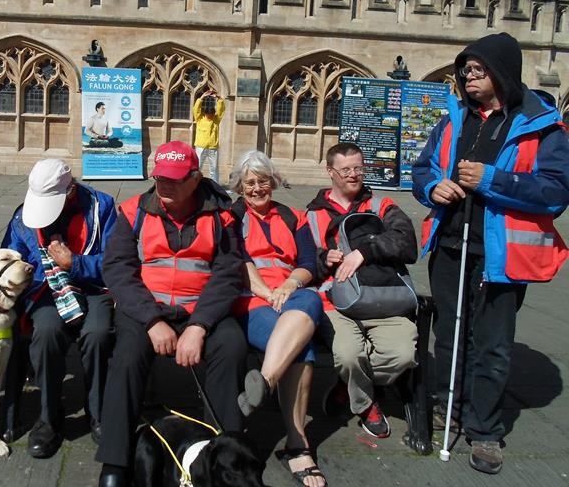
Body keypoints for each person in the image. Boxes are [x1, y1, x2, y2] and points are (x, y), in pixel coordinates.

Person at [412, 32, 569, 474]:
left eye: (478, 71)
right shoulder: (453, 121)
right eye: (465, 71)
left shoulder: (542, 127)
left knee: (492, 345)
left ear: (502, 73)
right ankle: (449, 407)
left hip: (502, 254)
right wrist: (431, 187)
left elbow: (556, 191)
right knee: (449, 334)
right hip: (449, 242)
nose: (468, 78)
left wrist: (493, 179)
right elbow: (422, 168)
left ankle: (484, 428)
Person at [96, 141, 247, 487]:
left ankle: (225, 454)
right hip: (147, 310)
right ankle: (115, 462)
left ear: (195, 178)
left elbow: (227, 274)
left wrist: (199, 326)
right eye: (160, 178)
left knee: (232, 346)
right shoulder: (132, 211)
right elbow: (118, 269)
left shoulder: (222, 216)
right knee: (127, 357)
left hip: (201, 309)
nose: (164, 185)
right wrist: (152, 320)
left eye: (175, 180)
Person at [0, 158, 116, 458]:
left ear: (70, 191)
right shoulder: (23, 218)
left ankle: (98, 413)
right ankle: (49, 417)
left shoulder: (103, 207)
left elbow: (116, 262)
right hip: (47, 291)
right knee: (45, 332)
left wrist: (75, 263)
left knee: (97, 333)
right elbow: (8, 262)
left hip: (94, 288)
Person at [228, 151, 327, 487]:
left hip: (291, 291)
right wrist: (268, 294)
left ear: (274, 182)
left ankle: (265, 381)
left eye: (263, 180)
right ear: (240, 187)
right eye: (250, 182)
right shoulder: (230, 217)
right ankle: (299, 446)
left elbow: (309, 263)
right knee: (302, 348)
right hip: (251, 297)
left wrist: (287, 285)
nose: (258, 188)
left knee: (310, 299)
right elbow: (239, 263)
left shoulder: (293, 216)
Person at [307, 143, 417, 439]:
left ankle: (350, 387)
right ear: (330, 172)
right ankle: (367, 404)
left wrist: (364, 252)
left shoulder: (382, 206)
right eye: (346, 170)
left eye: (358, 168)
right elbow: (301, 262)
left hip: (383, 297)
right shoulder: (312, 214)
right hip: (336, 301)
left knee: (404, 355)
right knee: (348, 356)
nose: (354, 175)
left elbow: (407, 243)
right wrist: (322, 259)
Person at [193, 89, 225, 183]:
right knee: (197, 167)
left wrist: (219, 98)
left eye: (212, 114)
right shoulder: (199, 119)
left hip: (212, 147)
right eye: (209, 114)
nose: (210, 116)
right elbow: (196, 109)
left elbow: (221, 109)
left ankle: (214, 185)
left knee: (214, 168)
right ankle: (194, 183)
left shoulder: (216, 119)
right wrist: (202, 97)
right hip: (200, 146)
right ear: (205, 113)